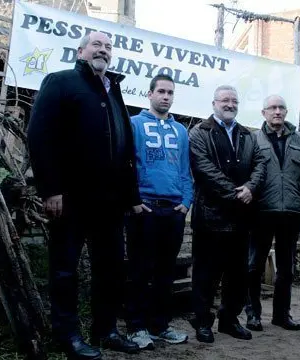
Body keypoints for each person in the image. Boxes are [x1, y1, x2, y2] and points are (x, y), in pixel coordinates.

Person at [26, 31, 141, 359]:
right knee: (65, 270)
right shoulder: (61, 82)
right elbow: (39, 135)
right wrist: (51, 189)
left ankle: (106, 330)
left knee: (111, 269)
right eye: (96, 45)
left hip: (110, 203)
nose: (102, 50)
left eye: (108, 47)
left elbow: (125, 147)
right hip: (72, 199)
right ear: (80, 51)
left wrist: (130, 196)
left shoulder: (113, 89)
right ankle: (67, 336)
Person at [188, 85, 266, 343]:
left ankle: (229, 320)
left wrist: (251, 188)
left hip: (241, 219)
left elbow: (259, 165)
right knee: (205, 274)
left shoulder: (248, 135)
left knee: (237, 274)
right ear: (214, 103)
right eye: (224, 100)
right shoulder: (199, 133)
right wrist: (236, 193)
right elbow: (203, 169)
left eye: (234, 100)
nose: (229, 104)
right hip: (210, 217)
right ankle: (202, 322)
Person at [124, 74, 193, 350]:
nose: (166, 96)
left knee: (166, 272)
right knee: (141, 270)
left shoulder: (181, 131)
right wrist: (134, 199)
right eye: (161, 91)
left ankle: (160, 325)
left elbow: (185, 169)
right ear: (149, 94)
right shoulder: (135, 124)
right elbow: (126, 164)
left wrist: (186, 202)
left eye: (170, 93)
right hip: (145, 208)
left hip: (173, 210)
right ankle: (136, 327)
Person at [244, 95, 300, 332]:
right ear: (264, 112)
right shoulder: (253, 140)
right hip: (261, 213)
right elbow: (247, 176)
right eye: (272, 108)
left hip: (291, 214)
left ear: (286, 112)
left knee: (286, 268)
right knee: (254, 265)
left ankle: (282, 315)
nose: (277, 111)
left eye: (281, 107)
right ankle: (252, 314)